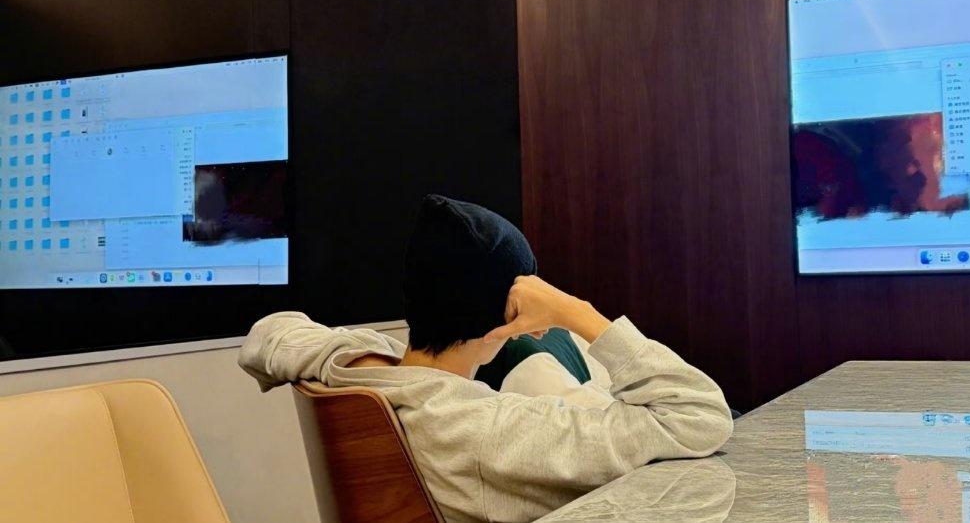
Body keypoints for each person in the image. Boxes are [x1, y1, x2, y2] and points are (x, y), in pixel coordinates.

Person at [239, 195, 732, 523]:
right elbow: (697, 416)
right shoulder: (493, 432)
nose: (540, 327)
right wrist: (577, 313)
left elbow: (269, 331)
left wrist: (373, 358)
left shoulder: (354, 371)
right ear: (504, 317)